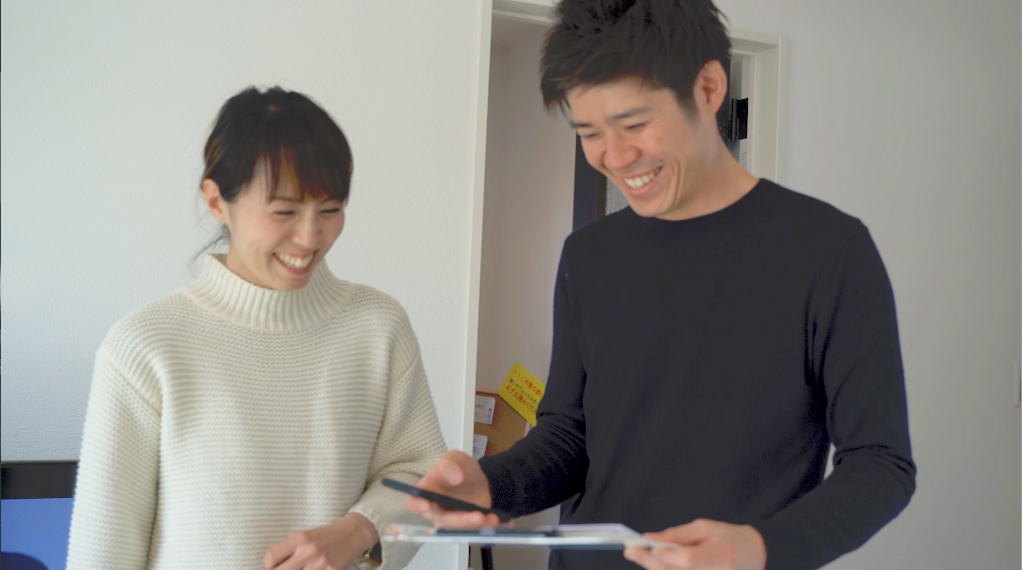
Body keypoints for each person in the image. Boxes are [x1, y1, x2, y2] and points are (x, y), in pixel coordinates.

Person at [407, 1, 916, 569]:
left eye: (635, 125)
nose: (615, 156)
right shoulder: (589, 256)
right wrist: (489, 484)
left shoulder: (828, 250)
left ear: (709, 87)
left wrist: (761, 547)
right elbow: (568, 437)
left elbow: (880, 464)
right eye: (590, 132)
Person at [66, 86, 447, 570]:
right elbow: (102, 551)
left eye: (330, 209)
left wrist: (358, 530)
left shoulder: (378, 327)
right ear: (216, 201)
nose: (310, 237)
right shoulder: (145, 347)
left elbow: (422, 474)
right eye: (284, 211)